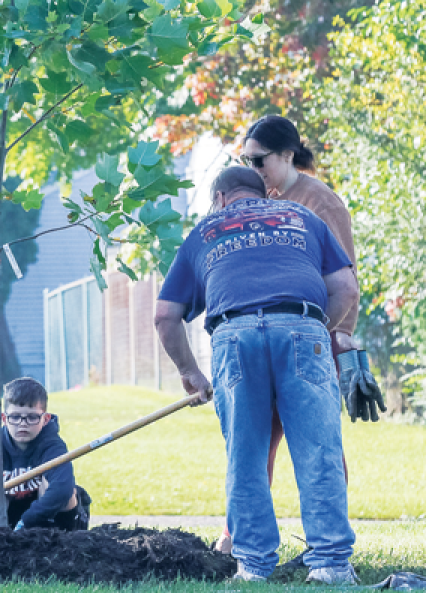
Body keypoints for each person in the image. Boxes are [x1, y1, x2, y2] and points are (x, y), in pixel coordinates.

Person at [154, 166, 359, 584]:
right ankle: (331, 565)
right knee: (318, 451)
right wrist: (316, 328)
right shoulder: (304, 219)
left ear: (221, 199)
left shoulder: (205, 231)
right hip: (301, 326)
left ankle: (253, 566)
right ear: (263, 195)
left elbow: (164, 316)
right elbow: (347, 290)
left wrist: (190, 371)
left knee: (245, 456)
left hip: (234, 335)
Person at [214, 115, 385, 556]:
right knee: (253, 441)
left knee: (318, 444)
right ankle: (237, 536)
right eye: (243, 160)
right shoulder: (260, 199)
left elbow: (345, 277)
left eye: (258, 160)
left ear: (288, 155)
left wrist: (337, 334)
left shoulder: (319, 201)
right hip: (258, 333)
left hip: (311, 334)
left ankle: (326, 541)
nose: (251, 169)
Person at [0, 377, 90, 530]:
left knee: (64, 491)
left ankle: (55, 540)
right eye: (15, 417)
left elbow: (62, 490)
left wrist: (26, 522)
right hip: (7, 519)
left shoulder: (53, 447)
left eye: (32, 417)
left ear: (45, 419)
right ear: (4, 419)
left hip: (43, 521)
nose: (22, 424)